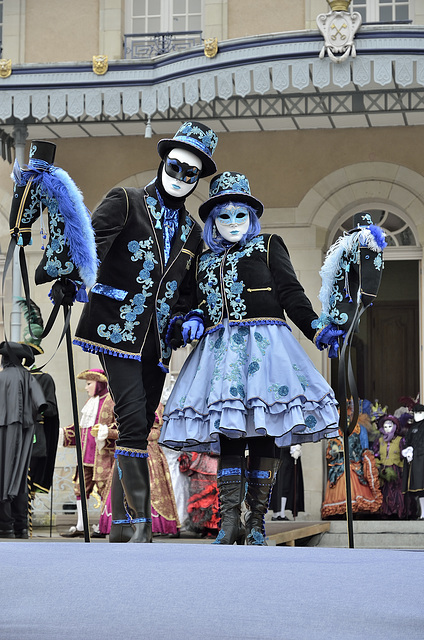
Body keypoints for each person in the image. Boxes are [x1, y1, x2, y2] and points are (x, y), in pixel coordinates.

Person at [160, 171, 341, 545]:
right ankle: (229, 523)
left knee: (263, 434)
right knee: (227, 436)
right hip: (220, 354)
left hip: (266, 350)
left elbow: (292, 293)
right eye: (223, 216)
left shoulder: (269, 245)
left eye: (239, 215)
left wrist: (316, 328)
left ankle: (256, 521)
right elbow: (188, 301)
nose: (232, 223)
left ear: (251, 217)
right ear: (211, 221)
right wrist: (190, 317)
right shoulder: (203, 260)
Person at [73, 121, 218, 543]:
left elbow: (188, 292)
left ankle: (120, 526)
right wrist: (74, 276)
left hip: (157, 344)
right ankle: (139, 524)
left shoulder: (193, 231)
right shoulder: (126, 201)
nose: (180, 178)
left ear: (197, 180)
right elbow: (90, 244)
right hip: (114, 329)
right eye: (176, 166)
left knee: (137, 427)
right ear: (163, 161)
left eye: (191, 174)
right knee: (134, 417)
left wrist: (189, 318)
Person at [61, 369, 117, 537]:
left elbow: (119, 428)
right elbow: (81, 429)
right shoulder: (90, 403)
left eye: (89, 384)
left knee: (105, 490)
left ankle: (105, 526)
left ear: (99, 383)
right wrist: (62, 432)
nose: (86, 388)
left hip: (103, 456)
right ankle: (81, 525)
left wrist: (106, 431)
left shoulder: (112, 401)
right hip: (85, 456)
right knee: (80, 489)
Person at [0, 342, 47, 538]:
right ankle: (21, 526)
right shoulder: (29, 376)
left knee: (3, 475)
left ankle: (5, 526)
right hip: (25, 430)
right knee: (18, 476)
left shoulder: (1, 377)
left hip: (3, 428)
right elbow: (42, 403)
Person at [321, 423, 383, 519]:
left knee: (353, 485)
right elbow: (330, 452)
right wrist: (332, 452)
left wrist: (363, 458)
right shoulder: (334, 436)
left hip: (353, 464)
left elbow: (359, 449)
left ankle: (354, 512)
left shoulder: (355, 435)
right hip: (339, 465)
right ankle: (341, 513)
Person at [373, 414, 406, 519]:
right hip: (383, 469)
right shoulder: (379, 441)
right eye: (385, 427)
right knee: (385, 490)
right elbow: (376, 454)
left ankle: (398, 512)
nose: (387, 429)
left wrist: (401, 469)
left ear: (395, 427)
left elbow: (403, 456)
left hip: (396, 469)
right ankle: (386, 512)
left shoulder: (400, 440)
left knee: (397, 490)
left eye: (390, 426)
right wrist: (378, 467)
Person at [270, 445, 304, 521]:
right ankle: (277, 513)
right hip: (280, 451)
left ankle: (281, 513)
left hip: (289, 454)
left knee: (287, 484)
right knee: (280, 483)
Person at [402, 403, 424, 518]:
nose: (417, 415)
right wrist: (408, 451)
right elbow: (408, 442)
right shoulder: (412, 429)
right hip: (415, 461)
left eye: (420, 413)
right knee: (419, 488)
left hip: (421, 459)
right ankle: (422, 513)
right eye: (415, 413)